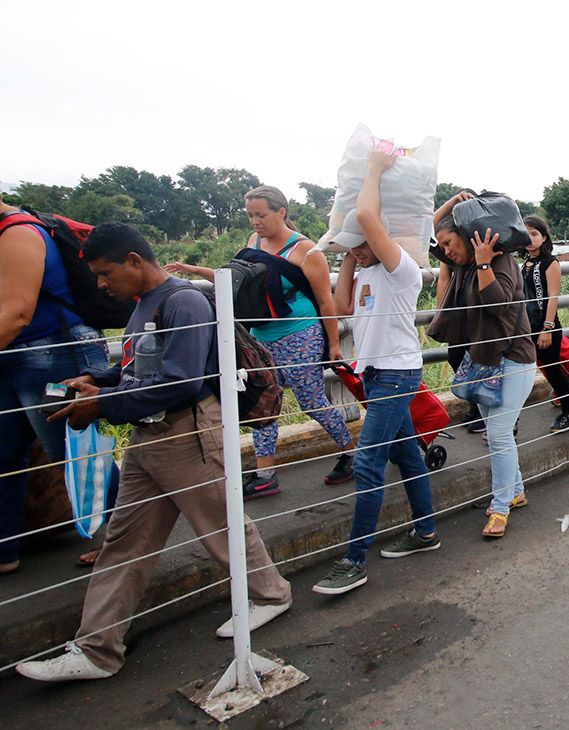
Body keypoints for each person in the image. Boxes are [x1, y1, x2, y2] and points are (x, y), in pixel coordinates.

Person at [16, 223, 292, 681]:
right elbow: (137, 366)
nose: (102, 285)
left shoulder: (182, 301)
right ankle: (96, 649)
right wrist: (99, 382)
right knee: (125, 542)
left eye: (106, 274)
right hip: (149, 437)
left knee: (221, 525)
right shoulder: (144, 304)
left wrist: (101, 403)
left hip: (184, 432)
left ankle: (270, 595)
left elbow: (180, 380)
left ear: (133, 261)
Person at [165, 186, 354, 498]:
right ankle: (265, 474)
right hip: (260, 336)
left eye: (261, 215)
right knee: (261, 402)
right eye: (250, 215)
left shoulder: (306, 252)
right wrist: (193, 271)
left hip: (300, 334)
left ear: (281, 212)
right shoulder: (254, 242)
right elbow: (237, 282)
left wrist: (333, 345)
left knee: (311, 402)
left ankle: (351, 452)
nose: (255, 221)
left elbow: (326, 302)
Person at [314, 152, 441, 594]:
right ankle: (426, 533)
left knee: (368, 462)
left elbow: (368, 215)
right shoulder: (366, 269)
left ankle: (354, 559)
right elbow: (342, 305)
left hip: (395, 375)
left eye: (362, 243)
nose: (358, 249)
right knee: (406, 456)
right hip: (375, 374)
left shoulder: (402, 269)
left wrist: (374, 169)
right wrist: (348, 252)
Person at [0, 201, 112, 574]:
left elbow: (16, 314)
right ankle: (5, 550)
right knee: (4, 455)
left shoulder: (18, 233)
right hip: (16, 354)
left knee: (75, 449)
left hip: (51, 353)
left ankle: (123, 539)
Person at [427, 190, 537, 539]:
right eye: (443, 246)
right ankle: (515, 491)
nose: (446, 251)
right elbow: (426, 234)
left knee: (499, 434)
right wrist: (451, 207)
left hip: (514, 359)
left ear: (467, 238)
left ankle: (502, 507)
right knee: (496, 434)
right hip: (487, 359)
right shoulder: (461, 264)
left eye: (450, 243)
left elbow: (498, 304)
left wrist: (485, 262)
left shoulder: (501, 261)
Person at [521, 216, 569, 432]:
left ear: (544, 237)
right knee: (527, 370)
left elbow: (553, 297)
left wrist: (547, 328)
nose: (530, 238)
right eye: (526, 234)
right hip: (528, 327)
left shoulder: (550, 263)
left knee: (553, 371)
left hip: (547, 327)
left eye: (535, 234)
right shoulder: (525, 264)